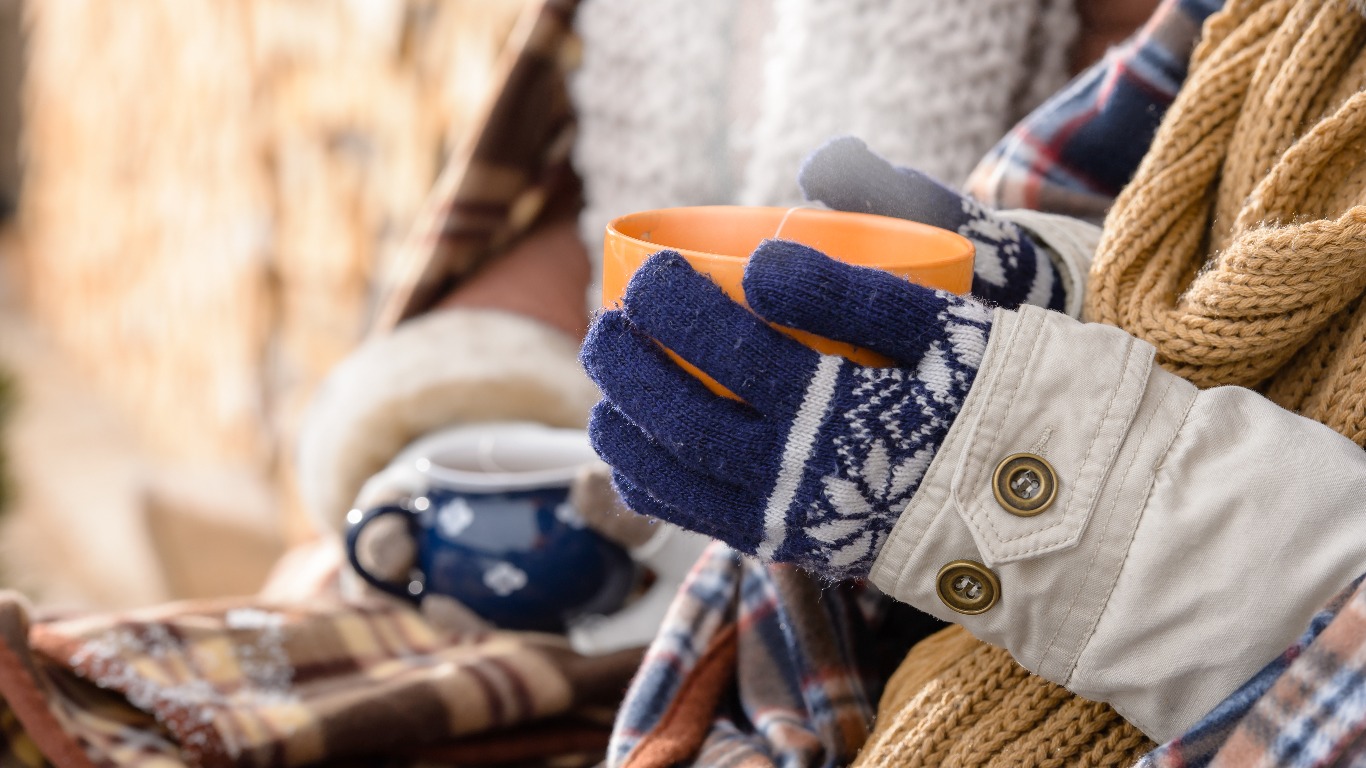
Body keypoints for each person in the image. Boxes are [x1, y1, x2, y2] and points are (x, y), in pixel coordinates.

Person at [583, 1, 1366, 767]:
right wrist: (1033, 290)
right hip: (871, 677)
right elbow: (1143, 233)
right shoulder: (1257, 19)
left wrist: (1005, 463)